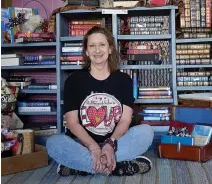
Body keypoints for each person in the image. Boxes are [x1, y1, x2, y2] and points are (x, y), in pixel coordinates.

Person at [46, 26, 154, 177]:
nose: (97, 50)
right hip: (83, 144)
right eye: (92, 46)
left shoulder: (124, 80)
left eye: (102, 45)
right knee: (53, 143)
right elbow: (72, 122)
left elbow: (125, 120)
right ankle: (116, 167)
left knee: (146, 132)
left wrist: (110, 145)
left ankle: (82, 167)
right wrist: (94, 147)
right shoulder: (73, 80)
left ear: (110, 49)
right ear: (86, 51)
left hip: (116, 143)